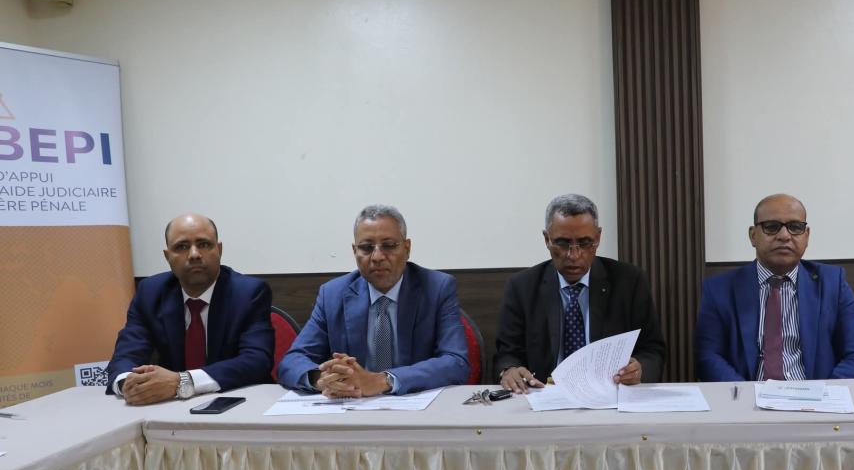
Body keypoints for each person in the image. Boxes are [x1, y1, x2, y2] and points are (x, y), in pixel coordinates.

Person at [278, 205, 468, 397]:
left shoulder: (437, 288)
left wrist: (381, 381)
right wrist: (323, 379)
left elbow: (456, 362)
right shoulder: (333, 294)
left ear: (407, 248)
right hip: (353, 404)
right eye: (366, 248)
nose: (377, 256)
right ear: (355, 251)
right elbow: (292, 362)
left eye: (389, 245)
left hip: (414, 403)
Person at [494, 193, 667, 393]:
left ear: (598, 237)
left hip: (609, 393)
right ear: (547, 239)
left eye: (584, 243)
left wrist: (639, 369)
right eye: (563, 243)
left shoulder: (629, 282)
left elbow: (652, 350)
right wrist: (509, 370)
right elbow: (507, 353)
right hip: (544, 394)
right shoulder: (522, 287)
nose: (574, 255)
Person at [695, 193, 854, 381]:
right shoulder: (719, 289)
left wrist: (824, 394)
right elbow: (708, 357)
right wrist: (746, 393)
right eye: (771, 227)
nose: (784, 236)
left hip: (815, 394)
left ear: (806, 235)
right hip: (749, 394)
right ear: (753, 235)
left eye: (795, 227)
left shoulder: (832, 283)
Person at [106, 213, 274, 405]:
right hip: (171, 406)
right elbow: (126, 355)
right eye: (182, 247)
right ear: (167, 256)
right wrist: (129, 384)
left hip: (239, 402)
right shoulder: (150, 292)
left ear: (219, 250)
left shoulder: (248, 293)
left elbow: (256, 361)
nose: (194, 254)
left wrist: (183, 381)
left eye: (204, 244)